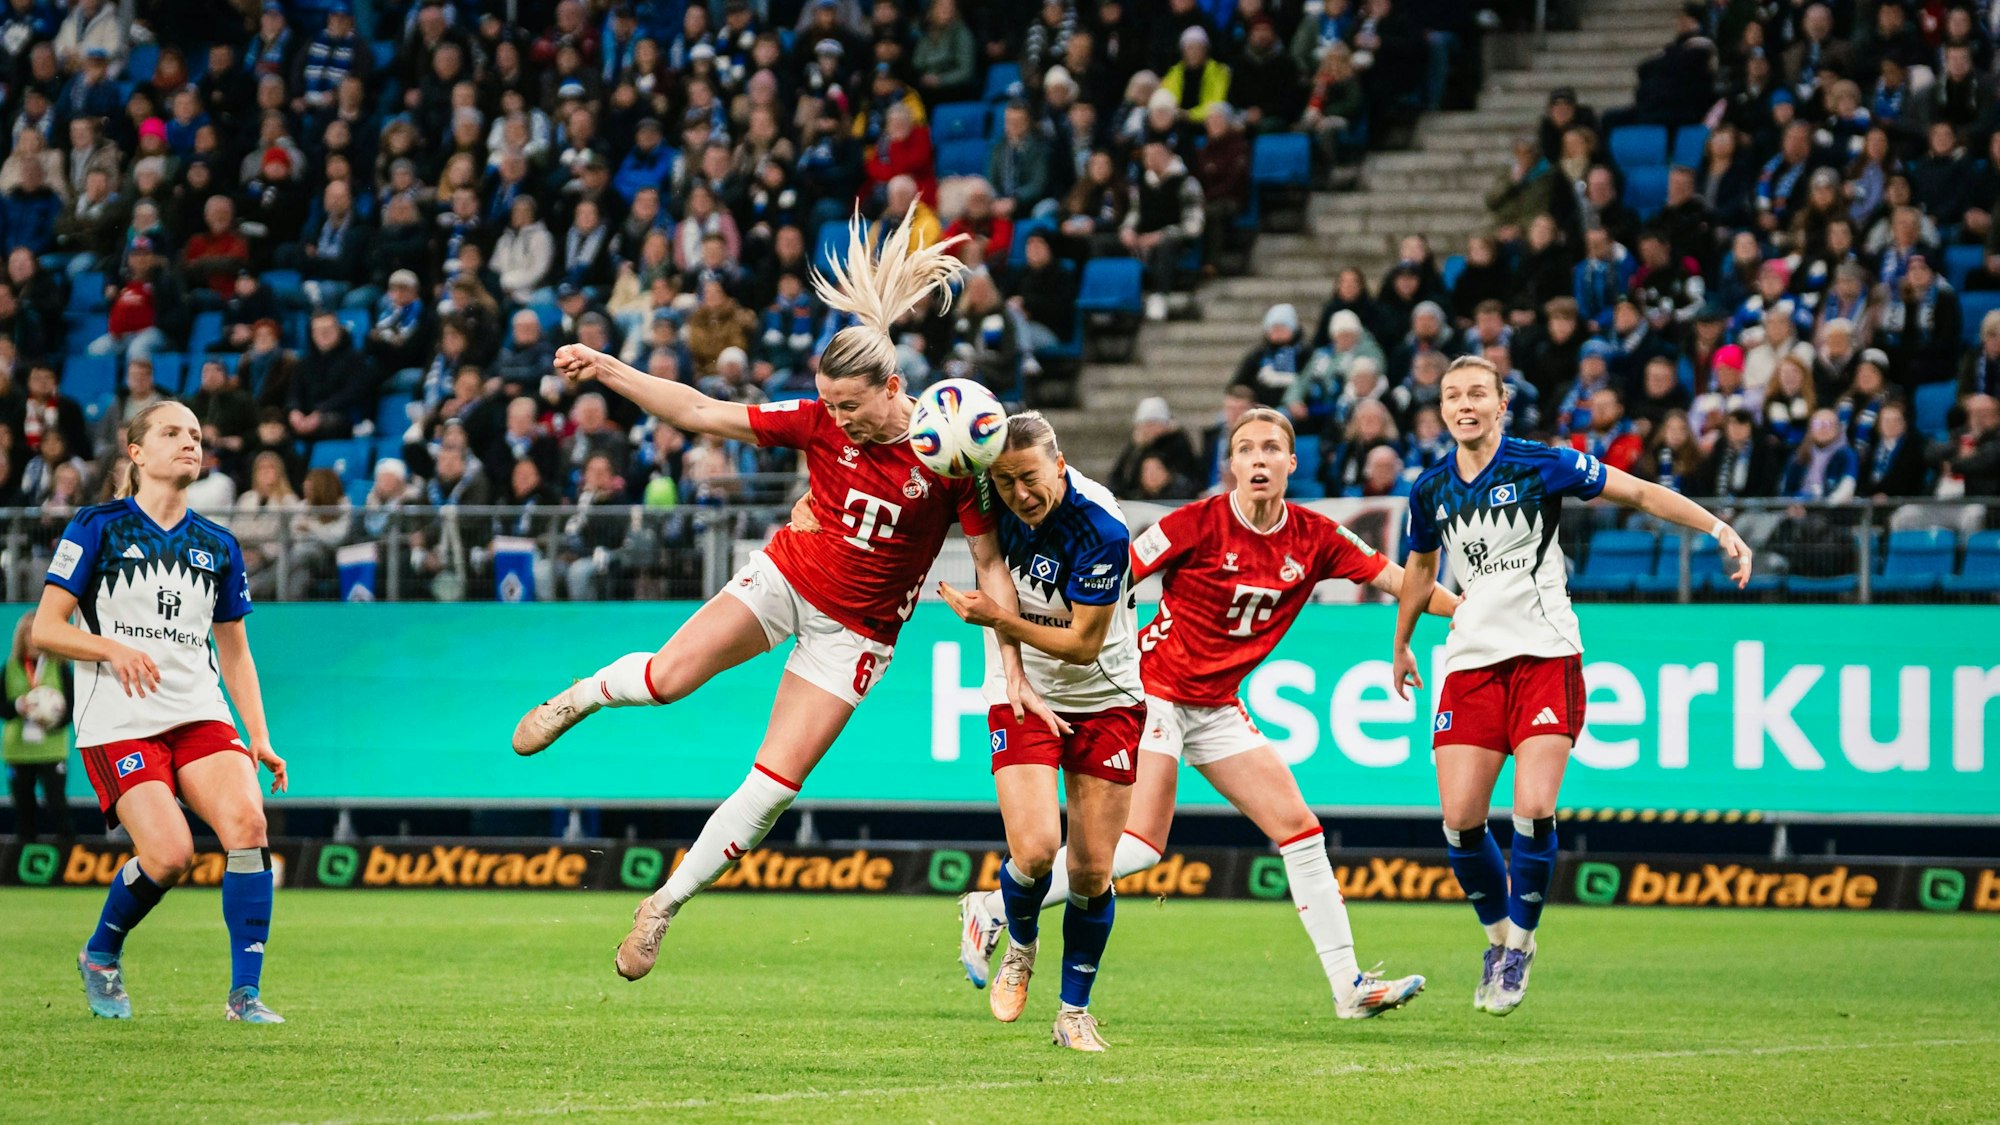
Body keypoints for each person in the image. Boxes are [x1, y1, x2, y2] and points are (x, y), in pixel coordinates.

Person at [510, 205, 1048, 980]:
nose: (839, 418)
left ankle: (662, 905)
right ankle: (583, 695)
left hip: (856, 635)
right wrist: (608, 367)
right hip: (788, 577)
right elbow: (700, 409)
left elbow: (991, 565)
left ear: (894, 387)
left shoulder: (948, 454)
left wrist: (1013, 661)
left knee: (773, 788)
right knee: (666, 680)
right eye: (830, 403)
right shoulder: (816, 421)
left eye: (851, 405)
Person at [964, 407, 1458, 1020]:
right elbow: (1117, 574)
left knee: (1300, 830)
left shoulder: (1317, 536)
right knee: (1139, 846)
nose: (1258, 459)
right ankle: (993, 907)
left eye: (1271, 448)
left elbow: (1400, 579)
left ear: (1292, 462)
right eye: (1246, 449)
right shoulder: (1195, 523)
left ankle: (1349, 988)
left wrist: (1466, 609)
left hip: (1216, 705)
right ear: (1231, 465)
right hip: (1155, 690)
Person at [1392, 355, 1753, 1018]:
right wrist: (1402, 642)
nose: (1465, 404)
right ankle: (1497, 941)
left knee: (1532, 807)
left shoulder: (1542, 464)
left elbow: (1637, 492)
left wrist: (1716, 525)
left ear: (1501, 404)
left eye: (1477, 394)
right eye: (1453, 396)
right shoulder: (1431, 487)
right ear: (1442, 408)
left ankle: (1521, 946)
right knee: (1461, 822)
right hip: (1469, 663)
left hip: (1545, 655)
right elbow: (1420, 567)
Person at [37, 401, 287, 1022]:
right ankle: (101, 953)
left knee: (248, 826)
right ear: (137, 452)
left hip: (199, 712)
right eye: (172, 432)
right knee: (171, 855)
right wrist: (111, 649)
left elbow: (235, 653)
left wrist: (258, 736)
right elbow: (46, 628)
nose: (189, 442)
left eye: (195, 435)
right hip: (118, 718)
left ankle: (245, 996)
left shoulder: (219, 544)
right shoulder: (96, 526)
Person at [5, 609, 74, 843]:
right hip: (18, 750)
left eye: (36, 633)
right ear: (21, 637)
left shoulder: (58, 666)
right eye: (28, 633)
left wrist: (51, 720)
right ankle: (24, 856)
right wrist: (19, 705)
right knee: (23, 808)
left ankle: (69, 853)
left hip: (51, 749)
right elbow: (2, 707)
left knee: (57, 804)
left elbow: (72, 706)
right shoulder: (11, 667)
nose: (33, 639)